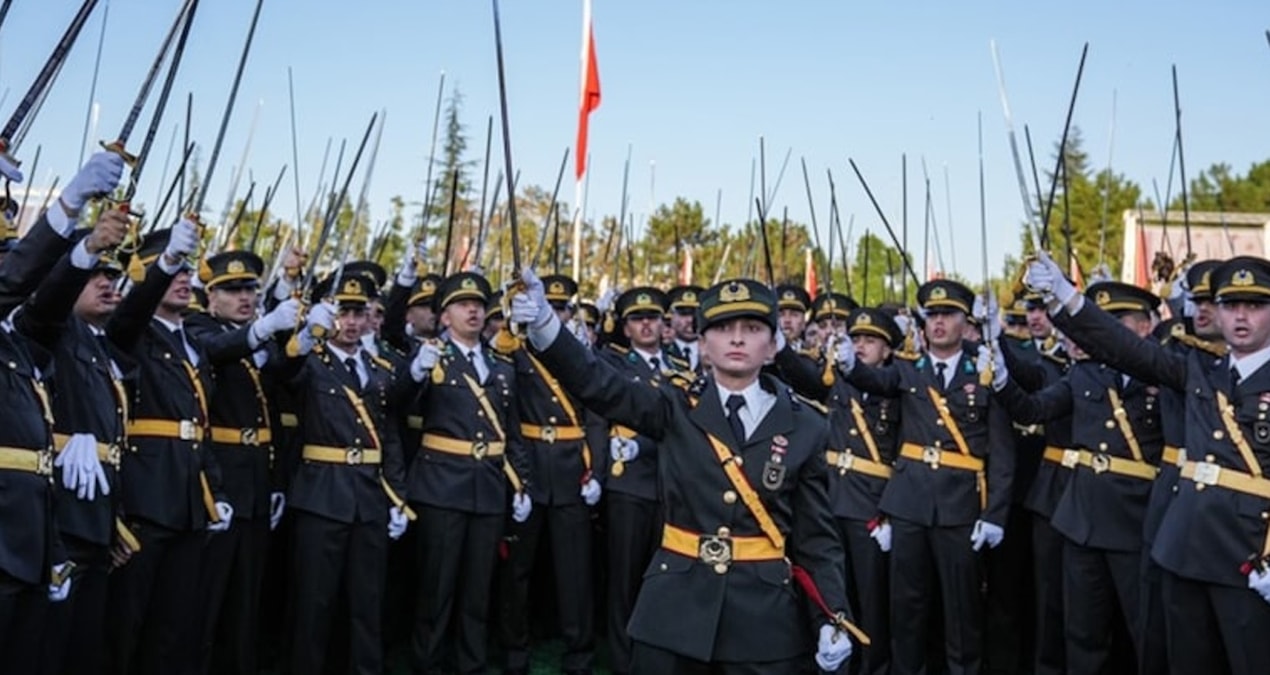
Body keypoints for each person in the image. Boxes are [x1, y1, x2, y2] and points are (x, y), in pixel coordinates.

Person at [511, 272, 858, 674]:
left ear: (772, 346)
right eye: (723, 328)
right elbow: (597, 382)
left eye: (752, 328)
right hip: (674, 612)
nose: (737, 338)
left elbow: (817, 540)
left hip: (764, 620)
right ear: (704, 344)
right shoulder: (674, 405)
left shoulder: (807, 426)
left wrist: (833, 616)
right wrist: (543, 325)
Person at [1025, 252, 1270, 674]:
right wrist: (1066, 295)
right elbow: (1124, 347)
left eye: (1255, 305)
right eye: (1231, 306)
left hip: (1249, 552)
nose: (1240, 317)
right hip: (1185, 547)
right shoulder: (1198, 370)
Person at [838, 278, 1016, 675]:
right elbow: (874, 380)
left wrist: (995, 514)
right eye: (931, 315)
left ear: (963, 320)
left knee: (962, 612)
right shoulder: (906, 371)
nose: (938, 323)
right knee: (907, 609)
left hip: (961, 508)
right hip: (909, 505)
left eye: (948, 314)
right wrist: (848, 363)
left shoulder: (984, 372)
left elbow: (1003, 455)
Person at [991, 281, 1165, 674]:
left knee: (1146, 632)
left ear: (1146, 325)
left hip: (1137, 519)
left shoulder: (1163, 373)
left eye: (1119, 319)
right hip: (1082, 519)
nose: (1106, 329)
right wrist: (1002, 382)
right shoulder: (1085, 374)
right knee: (1082, 633)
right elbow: (1034, 409)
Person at [104, 218, 234, 675]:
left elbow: (199, 428)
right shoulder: (130, 332)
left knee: (174, 627)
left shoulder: (192, 344)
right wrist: (166, 262)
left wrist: (214, 492)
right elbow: (127, 314)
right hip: (144, 497)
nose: (184, 279)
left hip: (187, 500)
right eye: (170, 271)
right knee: (127, 628)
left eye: (185, 270)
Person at [403, 271, 532, 675]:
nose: (474, 310)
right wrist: (416, 373)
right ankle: (429, 665)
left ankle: (471, 666)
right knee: (436, 592)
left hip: (489, 488)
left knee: (478, 593)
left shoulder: (500, 364)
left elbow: (512, 431)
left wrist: (521, 483)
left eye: (478, 304)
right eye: (463, 304)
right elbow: (396, 406)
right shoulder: (431, 356)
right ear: (444, 316)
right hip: (442, 486)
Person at [282, 271, 410, 675]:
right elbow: (282, 376)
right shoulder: (310, 363)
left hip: (369, 498)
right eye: (343, 312)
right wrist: (300, 339)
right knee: (314, 605)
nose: (352, 322)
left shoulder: (379, 368)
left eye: (359, 312)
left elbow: (389, 437)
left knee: (366, 604)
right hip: (322, 495)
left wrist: (398, 498)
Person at [774, 305, 904, 675]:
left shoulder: (899, 387)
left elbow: (907, 454)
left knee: (871, 600)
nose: (861, 346)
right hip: (830, 498)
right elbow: (801, 376)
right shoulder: (835, 380)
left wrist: (891, 511)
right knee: (827, 595)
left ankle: (873, 667)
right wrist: (781, 344)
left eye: (871, 341)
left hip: (872, 509)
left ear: (889, 349)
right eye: (857, 338)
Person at [185, 251, 297, 675]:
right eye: (232, 290)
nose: (244, 297)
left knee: (246, 602)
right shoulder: (200, 327)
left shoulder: (259, 338)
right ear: (211, 297)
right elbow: (216, 350)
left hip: (256, 480)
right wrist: (263, 328)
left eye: (250, 288)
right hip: (220, 481)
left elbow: (280, 403)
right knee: (207, 599)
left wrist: (297, 342)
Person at [497, 273, 607, 675]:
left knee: (575, 571)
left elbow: (595, 417)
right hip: (528, 467)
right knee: (518, 569)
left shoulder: (578, 355)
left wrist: (597, 471)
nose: (557, 314)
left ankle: (579, 652)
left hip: (571, 470)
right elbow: (504, 413)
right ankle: (514, 649)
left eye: (562, 309)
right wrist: (516, 476)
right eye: (551, 307)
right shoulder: (515, 350)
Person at [598, 287, 677, 675]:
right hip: (629, 483)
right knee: (624, 581)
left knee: (662, 582)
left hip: (670, 485)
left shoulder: (679, 365)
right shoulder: (614, 363)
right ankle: (622, 661)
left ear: (664, 324)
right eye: (637, 318)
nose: (646, 324)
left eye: (653, 317)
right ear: (625, 327)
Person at [665, 285, 704, 373]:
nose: (690, 320)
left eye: (695, 314)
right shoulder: (660, 353)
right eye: (684, 314)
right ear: (672, 317)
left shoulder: (713, 353)